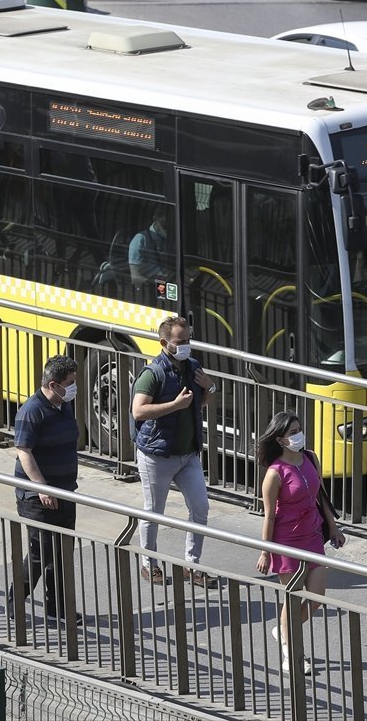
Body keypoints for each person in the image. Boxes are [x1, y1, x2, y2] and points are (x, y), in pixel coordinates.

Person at [254, 411, 345, 675]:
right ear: (280, 440)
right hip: (286, 542)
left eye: (298, 429)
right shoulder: (274, 473)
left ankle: (283, 629)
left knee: (316, 598)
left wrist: (334, 527)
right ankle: (292, 653)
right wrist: (266, 552)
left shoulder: (310, 458)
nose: (298, 435)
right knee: (293, 600)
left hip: (313, 536)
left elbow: (321, 497)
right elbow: (269, 515)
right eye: (292, 432)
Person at [131, 316, 219, 588]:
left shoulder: (192, 367)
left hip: (188, 454)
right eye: (180, 342)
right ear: (164, 342)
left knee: (200, 508)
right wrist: (175, 406)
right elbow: (139, 411)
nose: (186, 346)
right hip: (156, 455)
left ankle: (192, 566)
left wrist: (211, 387)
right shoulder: (152, 373)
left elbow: (197, 402)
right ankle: (149, 564)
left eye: (188, 340)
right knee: (154, 511)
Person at [7, 355, 82, 625]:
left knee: (62, 552)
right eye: (70, 383)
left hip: (65, 492)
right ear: (53, 384)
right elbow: (23, 452)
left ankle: (58, 609)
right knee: (41, 554)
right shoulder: (32, 411)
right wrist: (41, 487)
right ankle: (16, 603)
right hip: (38, 498)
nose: (74, 387)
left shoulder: (63, 405)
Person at [127, 207, 172, 290]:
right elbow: (135, 277)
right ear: (155, 219)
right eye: (164, 225)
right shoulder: (140, 239)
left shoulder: (170, 240)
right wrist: (157, 285)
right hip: (150, 289)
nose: (167, 230)